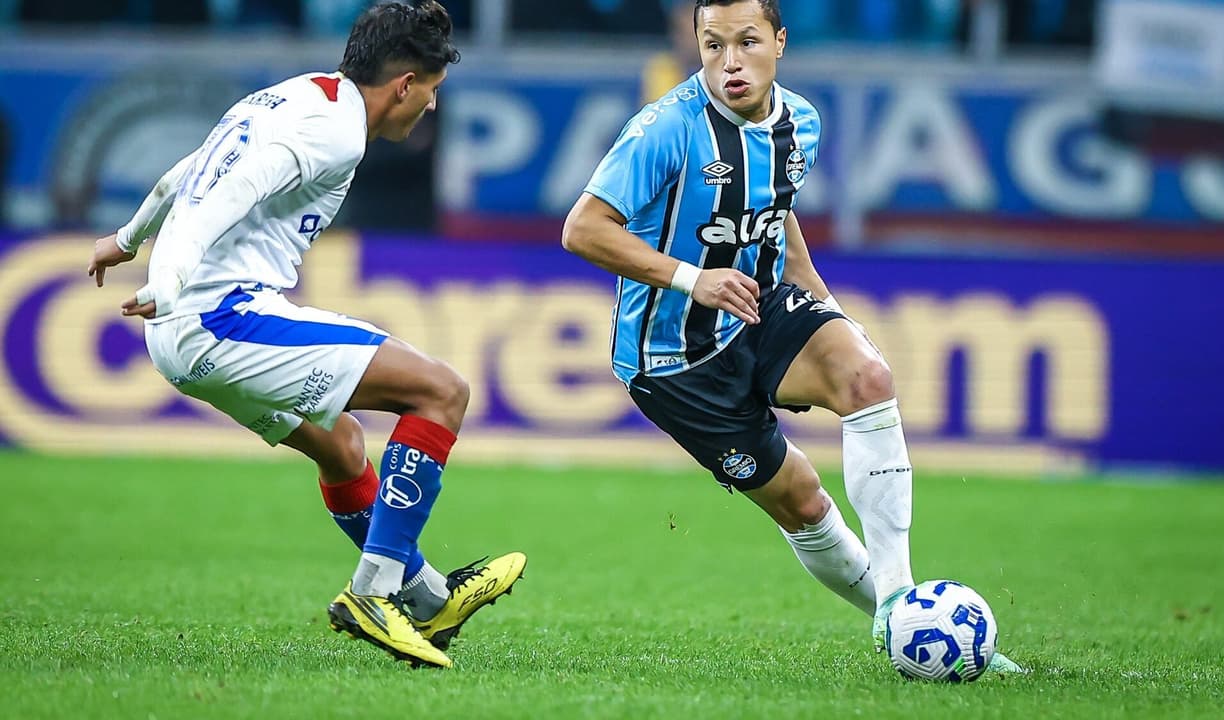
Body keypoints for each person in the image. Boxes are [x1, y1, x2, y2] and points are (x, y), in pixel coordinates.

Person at [562, 0, 1022, 673]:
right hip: (674, 360)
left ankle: (902, 606)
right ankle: (893, 619)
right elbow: (583, 229)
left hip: (759, 305)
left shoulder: (801, 120)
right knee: (802, 501)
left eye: (746, 42)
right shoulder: (664, 130)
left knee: (867, 377)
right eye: (712, 45)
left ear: (779, 41)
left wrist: (831, 310)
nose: (729, 62)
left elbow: (778, 215)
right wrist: (695, 280)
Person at [85, 1, 525, 669]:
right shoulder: (336, 134)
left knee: (344, 447)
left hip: (181, 337)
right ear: (404, 84)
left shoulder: (298, 94)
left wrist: (126, 238)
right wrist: (168, 280)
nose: (431, 108)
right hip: (218, 317)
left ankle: (430, 601)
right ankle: (373, 594)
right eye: (430, 92)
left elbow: (193, 167)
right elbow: (229, 189)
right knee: (442, 392)